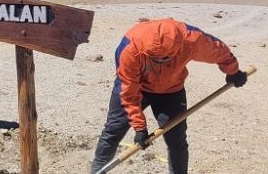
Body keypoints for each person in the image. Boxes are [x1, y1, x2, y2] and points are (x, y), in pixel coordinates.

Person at [90, 18, 248, 174]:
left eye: (165, 58)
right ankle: (97, 170)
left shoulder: (192, 39)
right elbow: (128, 93)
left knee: (176, 140)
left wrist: (233, 71)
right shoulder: (129, 49)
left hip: (171, 89)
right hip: (135, 87)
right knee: (113, 129)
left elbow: (220, 51)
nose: (160, 61)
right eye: (154, 58)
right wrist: (140, 128)